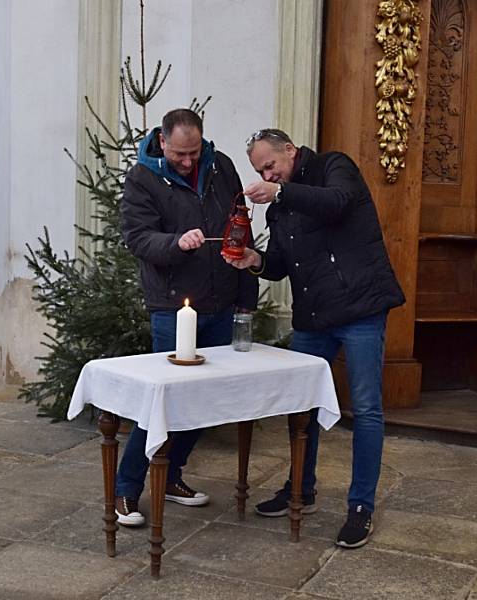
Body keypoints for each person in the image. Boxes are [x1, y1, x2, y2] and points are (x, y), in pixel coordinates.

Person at [224, 128, 405, 548]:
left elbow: (336, 204)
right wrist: (255, 261)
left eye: (271, 164)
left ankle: (361, 507)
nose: (268, 174)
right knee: (299, 404)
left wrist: (278, 192)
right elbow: (282, 265)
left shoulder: (333, 167)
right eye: (260, 170)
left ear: (291, 150)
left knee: (365, 408)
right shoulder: (278, 209)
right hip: (315, 318)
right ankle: (300, 488)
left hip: (360, 308)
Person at [114, 108, 259, 527]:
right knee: (161, 404)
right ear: (162, 141)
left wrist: (246, 296)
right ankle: (125, 490)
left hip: (224, 302)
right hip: (172, 308)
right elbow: (137, 238)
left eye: (194, 152)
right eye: (180, 153)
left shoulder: (222, 166)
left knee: (202, 403)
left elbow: (240, 229)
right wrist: (176, 242)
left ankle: (172, 475)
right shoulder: (142, 178)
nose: (188, 161)